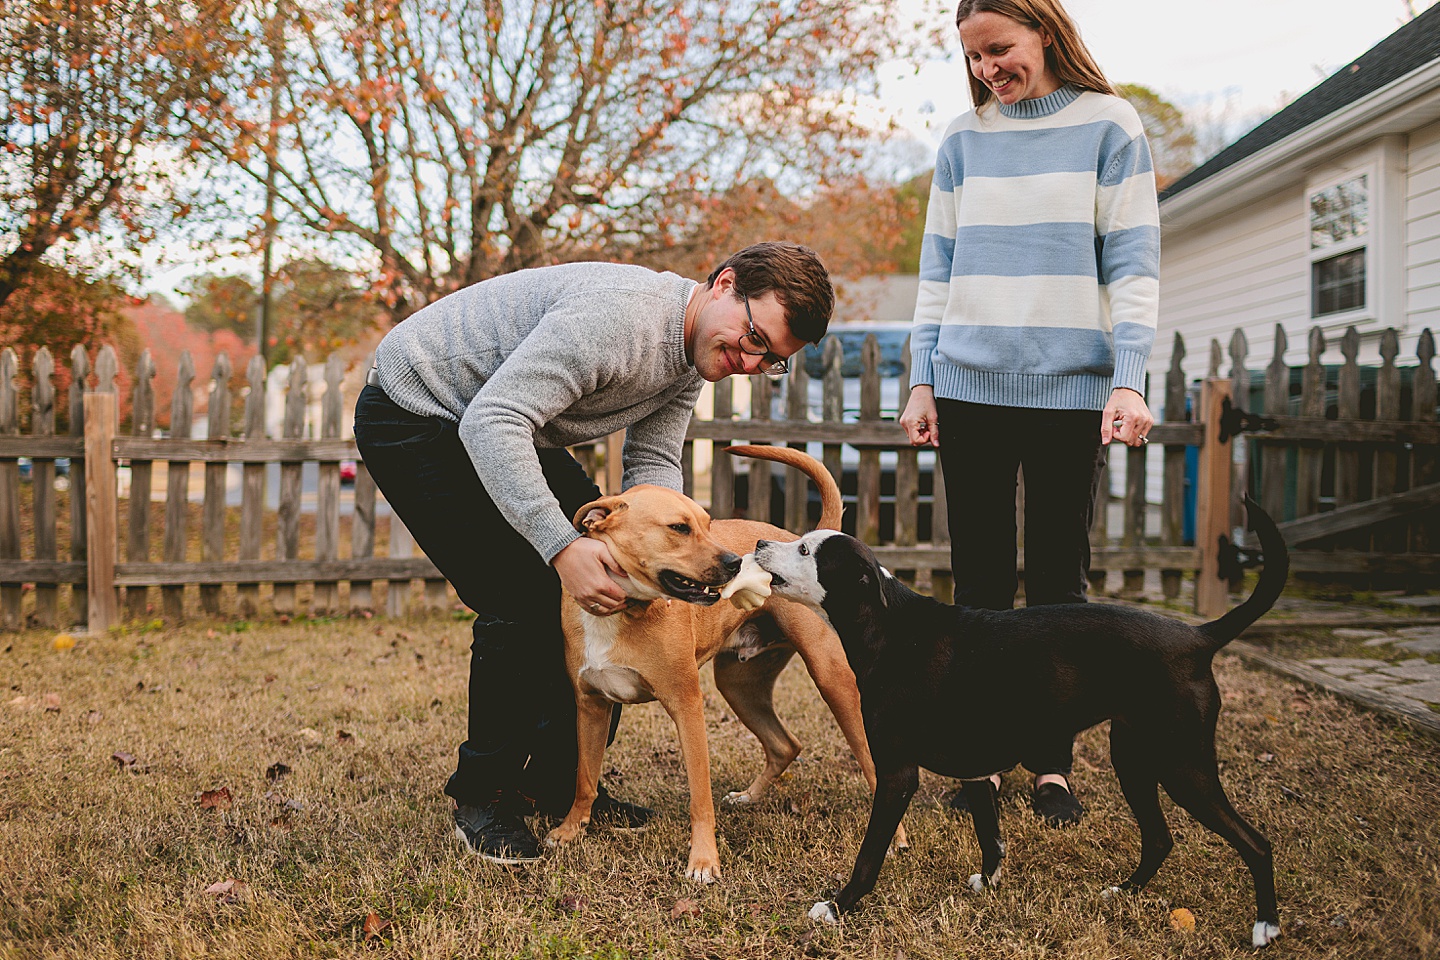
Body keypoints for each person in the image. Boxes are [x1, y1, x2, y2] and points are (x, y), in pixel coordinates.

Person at [353, 242, 833, 864]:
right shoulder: (621, 322)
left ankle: (561, 784)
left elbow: (653, 469)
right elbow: (492, 421)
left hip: (504, 419)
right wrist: (561, 548)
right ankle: (484, 798)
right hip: (421, 413)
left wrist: (674, 551)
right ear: (725, 285)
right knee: (521, 593)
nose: (749, 359)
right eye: (753, 336)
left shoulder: (693, 359)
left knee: (616, 572)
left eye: (770, 359)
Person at [899, 0, 1159, 827]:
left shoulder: (1110, 126)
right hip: (968, 387)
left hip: (1070, 392)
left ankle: (1050, 764)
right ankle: (977, 762)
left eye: (1000, 50)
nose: (988, 70)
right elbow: (935, 270)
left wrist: (1128, 378)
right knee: (976, 586)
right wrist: (921, 378)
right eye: (974, 57)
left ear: (1045, 34)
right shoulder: (962, 140)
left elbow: (1133, 261)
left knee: (1056, 586)